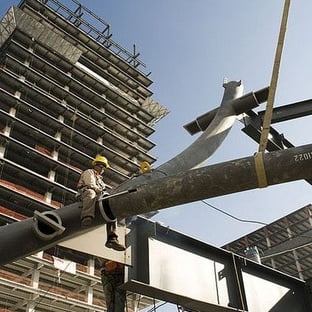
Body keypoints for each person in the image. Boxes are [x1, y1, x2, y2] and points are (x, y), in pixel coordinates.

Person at [77, 155, 126, 251]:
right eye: (101, 166)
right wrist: (100, 191)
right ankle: (87, 217)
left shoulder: (101, 180)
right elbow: (90, 184)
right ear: (96, 165)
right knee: (91, 193)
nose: (103, 168)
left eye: (104, 167)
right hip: (85, 193)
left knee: (110, 208)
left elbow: (102, 190)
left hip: (97, 195)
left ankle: (112, 238)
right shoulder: (89, 172)